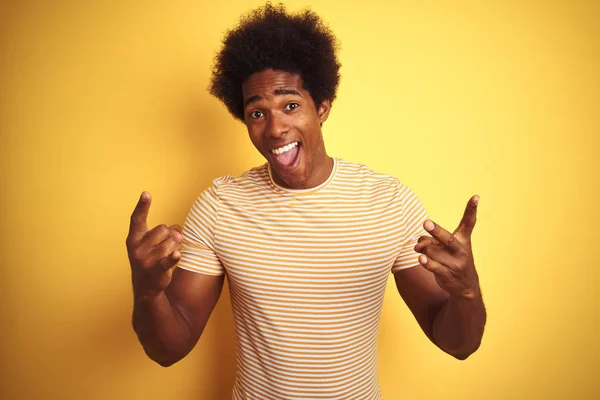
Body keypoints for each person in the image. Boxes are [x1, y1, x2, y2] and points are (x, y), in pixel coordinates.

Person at [126, 3, 487, 399]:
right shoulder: (220, 206)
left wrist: (466, 292)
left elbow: (458, 344)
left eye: (291, 105)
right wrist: (148, 293)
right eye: (257, 113)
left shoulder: (388, 202)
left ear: (323, 108)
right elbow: (168, 349)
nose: (276, 127)